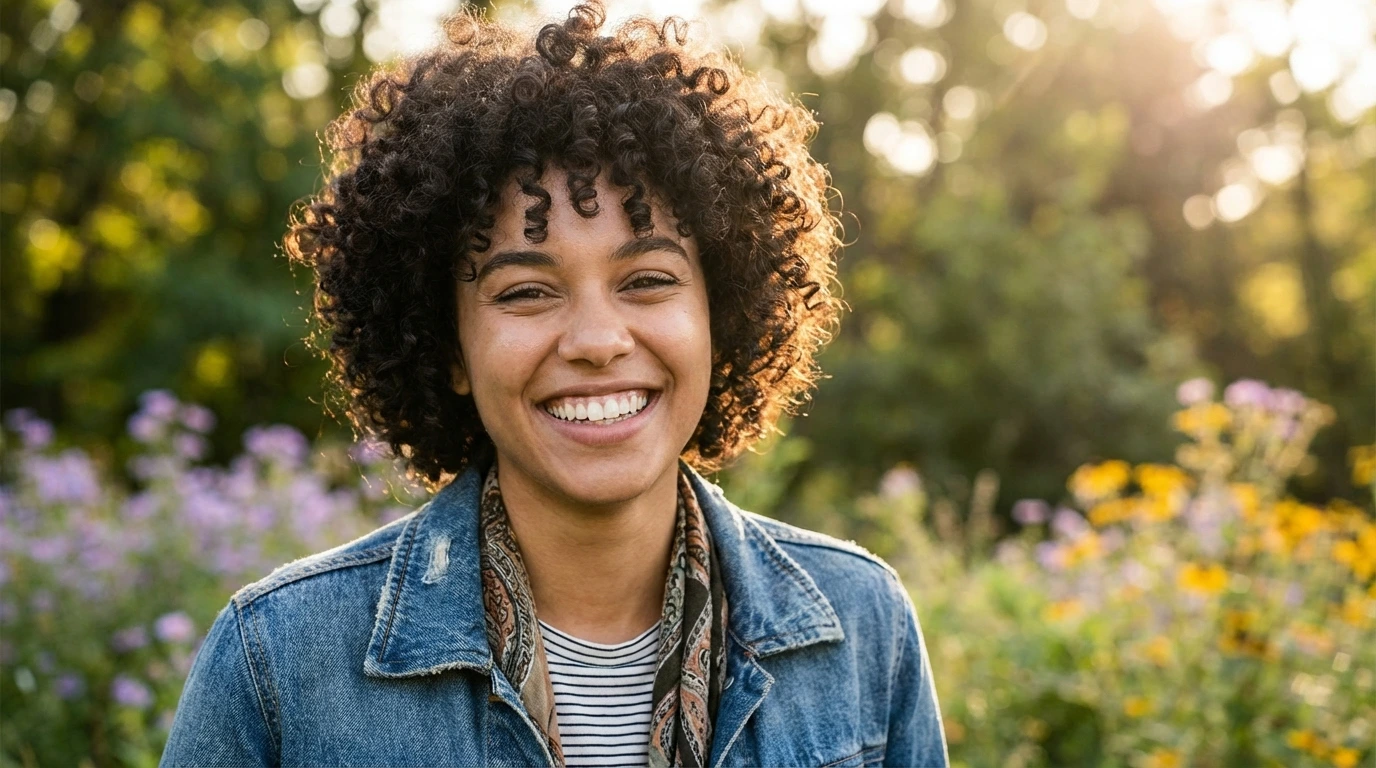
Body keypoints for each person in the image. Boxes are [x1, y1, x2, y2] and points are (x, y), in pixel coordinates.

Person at [161, 3, 948, 766]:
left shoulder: (863, 629)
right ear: (450, 348)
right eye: (526, 291)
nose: (600, 342)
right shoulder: (278, 665)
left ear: (724, 309)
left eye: (646, 279)